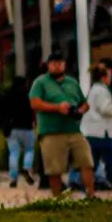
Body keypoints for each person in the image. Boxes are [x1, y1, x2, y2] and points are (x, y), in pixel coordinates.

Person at [29, 50, 94, 198]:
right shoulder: (40, 82)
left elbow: (85, 104)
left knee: (86, 160)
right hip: (51, 132)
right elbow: (35, 103)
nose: (57, 66)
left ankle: (91, 194)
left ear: (64, 64)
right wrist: (57, 108)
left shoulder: (72, 82)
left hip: (74, 129)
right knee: (54, 168)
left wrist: (79, 111)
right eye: (53, 64)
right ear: (48, 65)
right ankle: (59, 198)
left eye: (60, 63)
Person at [83, 59, 112, 193]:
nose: (110, 79)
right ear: (103, 77)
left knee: (92, 163)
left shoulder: (94, 89)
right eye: (109, 77)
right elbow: (106, 109)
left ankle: (88, 190)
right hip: (103, 133)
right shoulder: (102, 91)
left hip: (91, 132)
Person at [0, 72, 36, 188]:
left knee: (14, 153)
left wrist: (3, 125)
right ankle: (26, 167)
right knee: (29, 149)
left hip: (12, 128)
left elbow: (0, 112)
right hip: (27, 127)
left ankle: (13, 179)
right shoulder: (28, 95)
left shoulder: (6, 96)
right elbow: (33, 111)